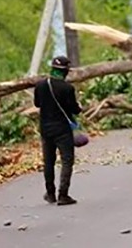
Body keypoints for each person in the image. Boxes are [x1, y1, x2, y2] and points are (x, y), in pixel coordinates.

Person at [34, 56, 82, 206]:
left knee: (49, 162)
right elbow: (74, 109)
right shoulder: (67, 88)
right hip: (62, 129)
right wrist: (79, 107)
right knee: (67, 160)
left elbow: (37, 104)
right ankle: (63, 194)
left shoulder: (41, 85)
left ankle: (50, 193)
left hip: (45, 129)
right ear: (66, 71)